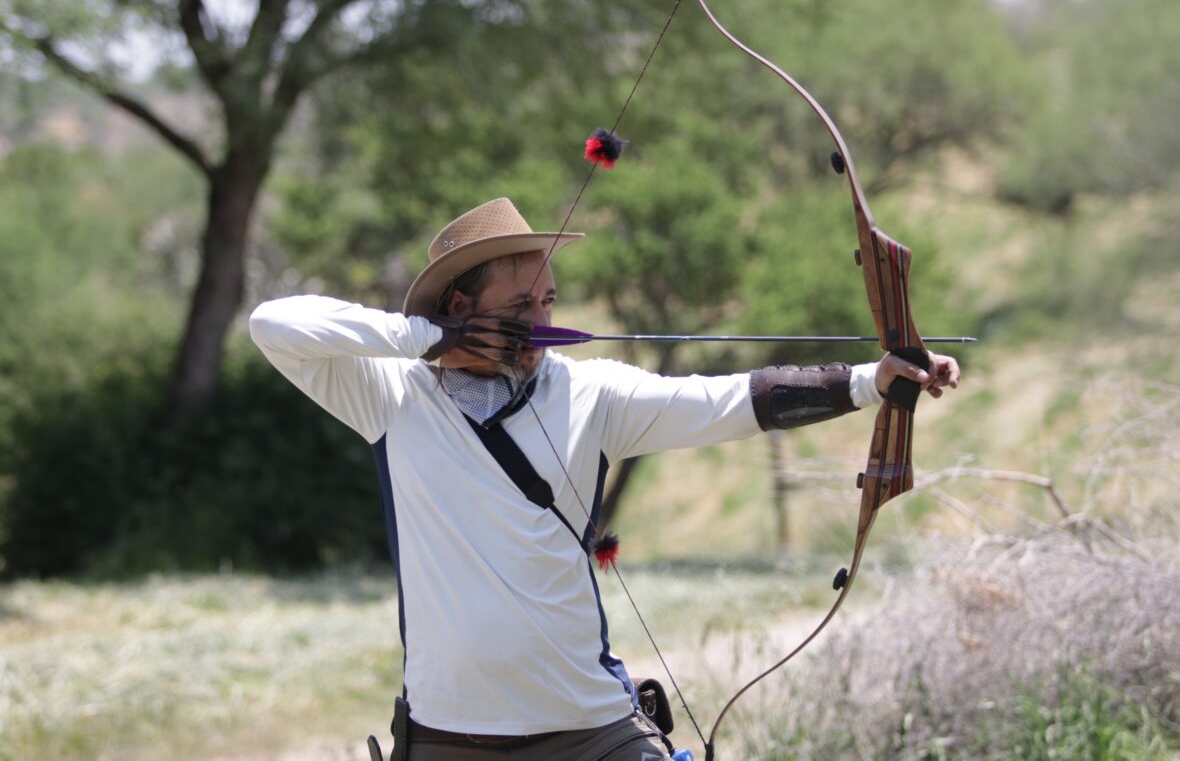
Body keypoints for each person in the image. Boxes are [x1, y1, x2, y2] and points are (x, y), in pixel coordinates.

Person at [249, 198, 960, 761]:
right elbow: (273, 323)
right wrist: (421, 339)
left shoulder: (591, 395)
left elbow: (729, 401)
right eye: (520, 307)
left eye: (548, 303)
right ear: (460, 310)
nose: (541, 322)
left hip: (585, 729)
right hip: (447, 734)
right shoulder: (390, 397)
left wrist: (870, 381)